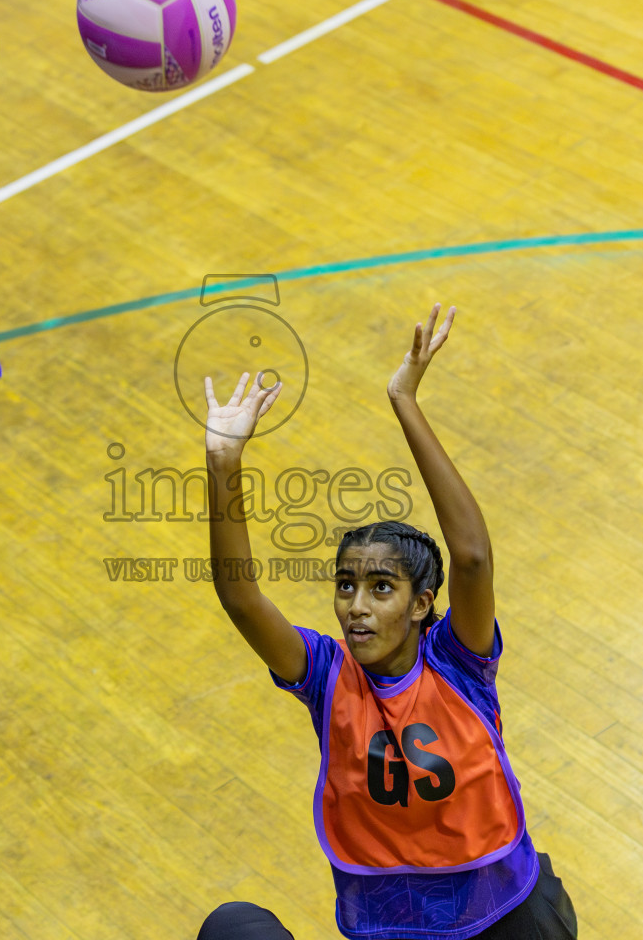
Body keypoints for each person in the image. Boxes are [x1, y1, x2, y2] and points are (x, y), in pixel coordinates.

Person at [197, 303, 577, 940]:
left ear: (422, 603)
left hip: (501, 918)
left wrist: (404, 398)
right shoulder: (323, 674)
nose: (357, 604)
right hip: (398, 926)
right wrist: (222, 463)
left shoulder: (460, 663)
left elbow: (474, 557)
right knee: (233, 927)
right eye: (346, 585)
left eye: (381, 587)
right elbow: (242, 599)